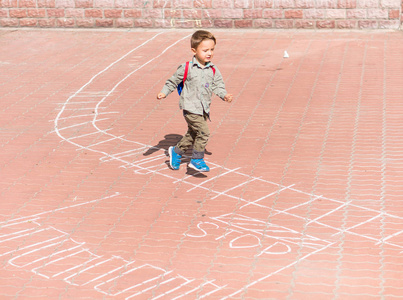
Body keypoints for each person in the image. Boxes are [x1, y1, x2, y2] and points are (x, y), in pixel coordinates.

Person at [157, 30, 233, 172]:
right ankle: (197, 159)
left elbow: (218, 86)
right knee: (203, 133)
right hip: (190, 107)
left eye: (212, 49)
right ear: (194, 50)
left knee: (193, 134)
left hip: (204, 108)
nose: (209, 53)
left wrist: (224, 95)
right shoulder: (187, 68)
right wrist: (164, 92)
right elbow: (172, 82)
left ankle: (176, 152)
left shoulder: (213, 69)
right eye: (205, 50)